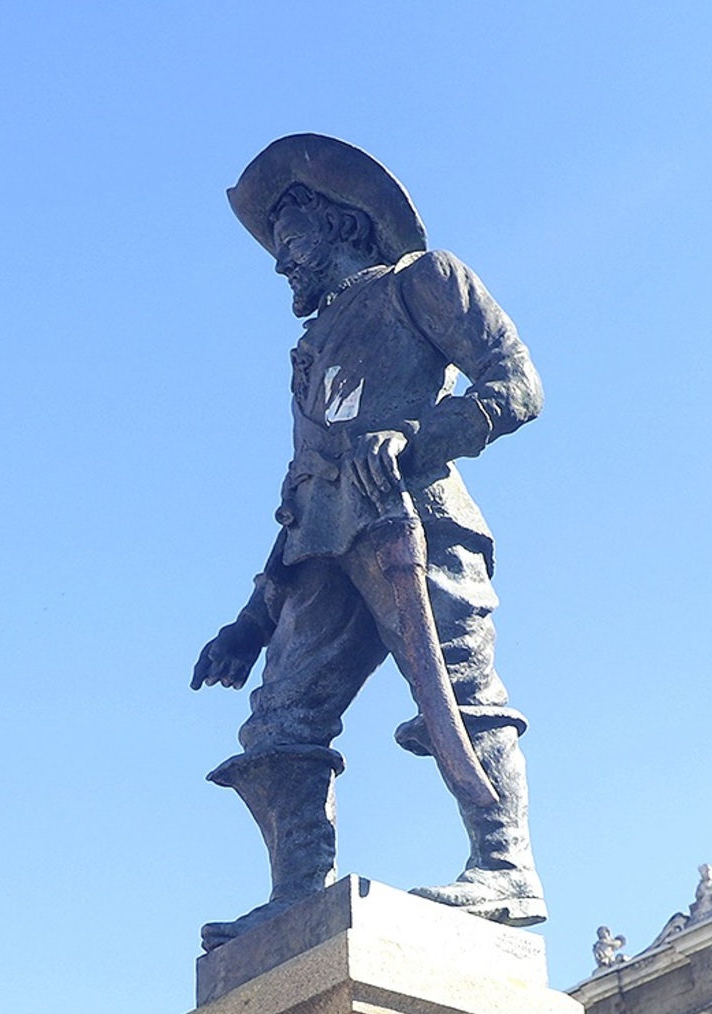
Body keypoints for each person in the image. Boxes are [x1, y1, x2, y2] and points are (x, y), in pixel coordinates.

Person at [193, 134, 545, 950]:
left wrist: (418, 440)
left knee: (461, 690)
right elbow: (300, 489)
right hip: (321, 552)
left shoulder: (422, 282)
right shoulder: (309, 353)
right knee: (279, 722)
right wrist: (251, 621)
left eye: (293, 238)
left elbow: (516, 381)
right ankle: (295, 896)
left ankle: (505, 863)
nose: (282, 263)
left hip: (415, 520)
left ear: (343, 223)